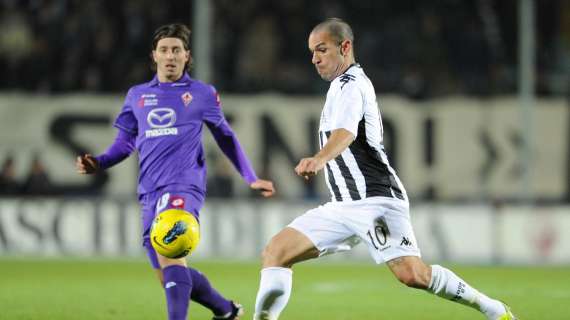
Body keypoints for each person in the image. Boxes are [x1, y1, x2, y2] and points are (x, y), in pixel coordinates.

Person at [252, 18, 516, 320]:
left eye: (322, 50)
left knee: (412, 274)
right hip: (341, 207)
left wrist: (320, 158)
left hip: (376, 199)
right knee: (276, 252)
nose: (315, 58)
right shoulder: (338, 87)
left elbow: (346, 133)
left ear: (345, 47)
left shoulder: (353, 85)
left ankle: (493, 310)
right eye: (312, 52)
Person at [76, 23, 275, 320]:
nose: (170, 56)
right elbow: (125, 142)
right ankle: (226, 309)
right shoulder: (137, 95)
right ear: (154, 56)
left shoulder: (201, 93)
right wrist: (101, 162)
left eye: (176, 50)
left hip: (184, 185)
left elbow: (225, 136)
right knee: (169, 273)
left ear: (187, 56)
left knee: (171, 252)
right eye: (164, 50)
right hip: (149, 190)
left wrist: (250, 177)